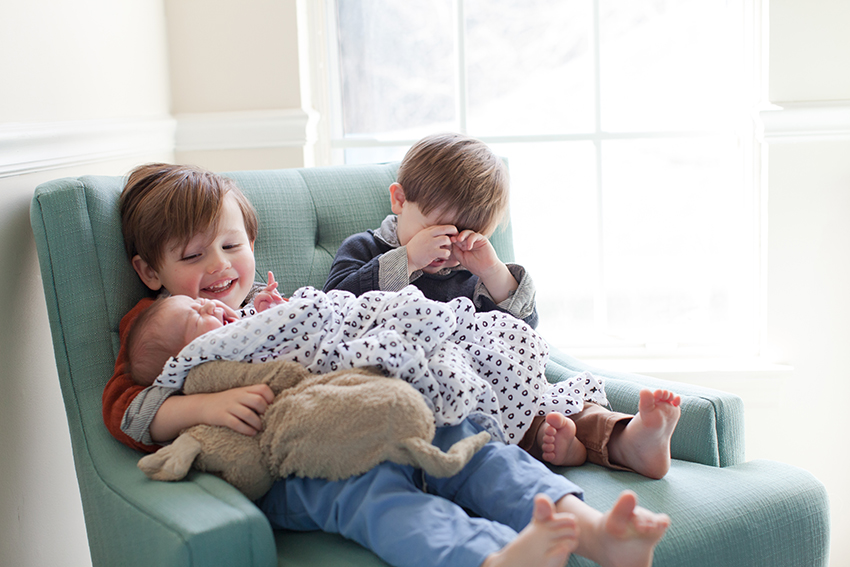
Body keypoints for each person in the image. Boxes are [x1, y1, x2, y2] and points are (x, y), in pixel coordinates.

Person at [103, 162, 672, 567]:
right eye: (193, 256)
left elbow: (337, 334)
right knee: (373, 499)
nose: (220, 267)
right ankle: (488, 556)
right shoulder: (165, 323)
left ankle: (598, 533)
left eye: (233, 246)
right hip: (300, 463)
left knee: (469, 440)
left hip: (370, 411)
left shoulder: (269, 307)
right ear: (151, 273)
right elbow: (127, 408)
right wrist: (204, 405)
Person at [324, 133, 681, 479]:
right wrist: (408, 258)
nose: (446, 249)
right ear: (399, 201)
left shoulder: (468, 271)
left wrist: (493, 272)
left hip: (499, 385)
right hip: (433, 391)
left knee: (558, 399)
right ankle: (544, 441)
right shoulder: (366, 249)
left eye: (463, 235)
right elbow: (334, 306)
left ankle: (626, 439)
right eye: (435, 229)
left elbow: (520, 337)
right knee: (504, 415)